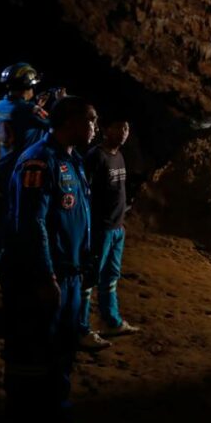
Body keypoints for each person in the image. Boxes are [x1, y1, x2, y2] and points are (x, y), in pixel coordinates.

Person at [1, 96, 97, 423]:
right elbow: (31, 222)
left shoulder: (72, 160)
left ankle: (57, 415)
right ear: (70, 121)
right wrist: (44, 275)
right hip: (39, 276)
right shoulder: (39, 161)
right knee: (30, 352)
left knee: (61, 350)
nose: (94, 127)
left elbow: (75, 218)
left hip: (68, 274)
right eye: (91, 119)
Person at [0, 63, 53, 292]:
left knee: (12, 221)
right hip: (22, 173)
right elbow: (54, 125)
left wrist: (35, 107)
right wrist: (53, 103)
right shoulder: (28, 111)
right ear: (27, 87)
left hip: (6, 169)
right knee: (20, 224)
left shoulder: (0, 106)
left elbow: (23, 118)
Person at [78, 116, 139, 352]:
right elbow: (85, 193)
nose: (124, 132)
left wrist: (121, 221)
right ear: (105, 129)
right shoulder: (96, 157)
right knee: (89, 278)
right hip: (100, 228)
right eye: (119, 126)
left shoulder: (119, 156)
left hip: (116, 229)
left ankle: (111, 321)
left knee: (111, 277)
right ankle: (80, 328)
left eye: (126, 127)